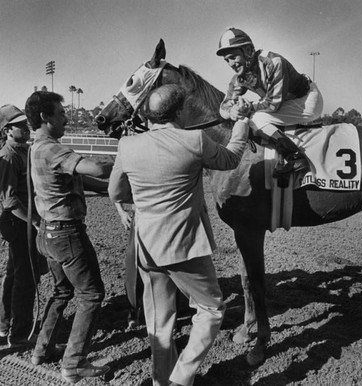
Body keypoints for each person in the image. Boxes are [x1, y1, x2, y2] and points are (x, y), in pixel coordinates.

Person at [108, 84, 249, 386]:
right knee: (211, 310)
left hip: (145, 246)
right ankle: (182, 378)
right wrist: (242, 124)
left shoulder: (127, 145)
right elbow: (231, 158)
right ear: (181, 111)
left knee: (159, 320)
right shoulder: (195, 139)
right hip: (185, 246)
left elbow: (116, 191)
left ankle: (162, 380)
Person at [25, 91, 113, 383]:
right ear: (45, 117)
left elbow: (81, 178)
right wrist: (125, 159)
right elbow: (96, 167)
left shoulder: (35, 148)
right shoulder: (51, 149)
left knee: (62, 291)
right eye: (61, 113)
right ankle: (74, 364)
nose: (66, 117)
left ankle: (42, 349)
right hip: (68, 233)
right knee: (91, 294)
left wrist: (108, 186)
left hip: (48, 233)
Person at [216, 27, 324, 176]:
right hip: (285, 103)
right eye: (226, 60)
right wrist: (232, 111)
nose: (231, 64)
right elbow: (224, 107)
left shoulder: (273, 62)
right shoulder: (238, 78)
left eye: (233, 57)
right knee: (251, 115)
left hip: (306, 100)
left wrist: (248, 108)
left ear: (248, 51)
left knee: (255, 118)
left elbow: (273, 104)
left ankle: (295, 157)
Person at [0, 104, 47, 348]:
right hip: (21, 223)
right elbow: (10, 201)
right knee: (25, 278)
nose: (25, 127)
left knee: (14, 274)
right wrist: (37, 223)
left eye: (24, 123)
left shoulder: (25, 151)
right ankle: (19, 334)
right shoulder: (9, 156)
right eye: (19, 125)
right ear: (7, 130)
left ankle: (4, 327)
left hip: (25, 222)